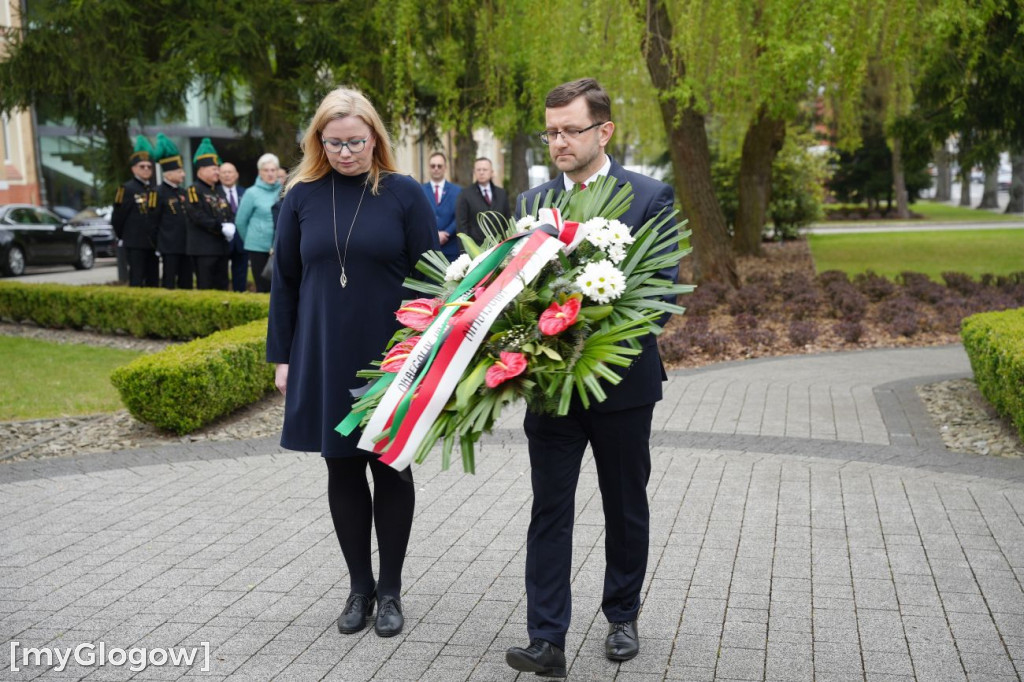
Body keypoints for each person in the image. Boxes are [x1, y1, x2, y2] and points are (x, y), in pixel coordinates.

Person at [505, 78, 680, 678]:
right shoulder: (531, 206)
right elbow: (508, 296)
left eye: (569, 130)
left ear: (604, 131)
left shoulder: (649, 197)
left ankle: (622, 616)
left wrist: (587, 336)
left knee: (624, 504)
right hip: (550, 391)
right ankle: (545, 637)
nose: (557, 141)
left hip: (621, 386)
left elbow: (657, 296)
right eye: (550, 131)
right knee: (549, 509)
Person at [266, 86, 438, 638]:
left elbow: (436, 273)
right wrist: (282, 358)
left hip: (393, 356)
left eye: (356, 142)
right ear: (318, 140)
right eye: (334, 142)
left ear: (375, 139)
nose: (345, 153)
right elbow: (285, 284)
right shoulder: (299, 196)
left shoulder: (404, 194)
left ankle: (390, 591)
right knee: (341, 466)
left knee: (391, 467)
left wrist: (436, 347)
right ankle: (358, 588)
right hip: (322, 352)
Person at [184, 138, 233, 290]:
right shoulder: (193, 190)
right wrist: (220, 227)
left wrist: (231, 223)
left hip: (221, 248)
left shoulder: (218, 190)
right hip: (203, 248)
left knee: (223, 286)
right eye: (213, 168)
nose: (217, 171)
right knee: (206, 286)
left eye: (217, 168)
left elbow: (227, 211)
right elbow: (197, 215)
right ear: (201, 171)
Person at [111, 136, 159, 287]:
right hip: (135, 243)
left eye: (149, 166)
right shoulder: (126, 189)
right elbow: (118, 217)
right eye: (142, 166)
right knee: (137, 279)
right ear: (133, 169)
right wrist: (123, 236)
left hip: (152, 243)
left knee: (153, 280)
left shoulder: (153, 189)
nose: (146, 169)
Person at [235, 153, 281, 293]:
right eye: (266, 170)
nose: (270, 174)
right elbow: (240, 222)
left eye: (273, 170)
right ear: (260, 172)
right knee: (263, 287)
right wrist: (252, 240)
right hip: (258, 248)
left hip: (280, 245)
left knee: (279, 287)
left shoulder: (284, 190)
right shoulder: (251, 193)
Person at [152, 133, 192, 289]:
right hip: (169, 246)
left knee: (187, 281)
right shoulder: (158, 193)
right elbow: (153, 222)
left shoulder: (183, 192)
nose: (183, 174)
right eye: (179, 171)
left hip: (186, 245)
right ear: (168, 173)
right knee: (169, 281)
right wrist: (157, 245)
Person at [455, 157, 511, 247]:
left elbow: (507, 222)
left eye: (485, 169)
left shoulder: (502, 194)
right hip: (476, 250)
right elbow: (462, 226)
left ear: (491, 172)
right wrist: (466, 251)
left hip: (499, 248)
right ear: (474, 172)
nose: (481, 172)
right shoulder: (465, 194)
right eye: (478, 170)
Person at [420, 152, 460, 261]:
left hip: (451, 249)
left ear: (445, 168)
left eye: (439, 166)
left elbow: (460, 217)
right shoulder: (419, 190)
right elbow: (418, 217)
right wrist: (434, 234)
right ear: (429, 168)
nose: (436, 169)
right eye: (433, 166)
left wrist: (446, 233)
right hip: (428, 250)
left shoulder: (457, 191)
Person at [219, 161, 249, 292]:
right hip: (222, 241)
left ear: (236, 175)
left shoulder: (246, 192)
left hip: (241, 241)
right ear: (219, 176)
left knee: (241, 275)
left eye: (230, 172)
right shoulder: (215, 193)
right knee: (221, 277)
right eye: (224, 172)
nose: (227, 175)